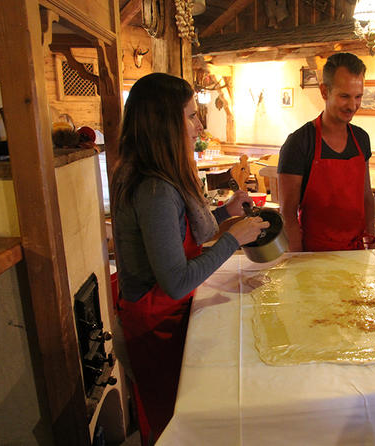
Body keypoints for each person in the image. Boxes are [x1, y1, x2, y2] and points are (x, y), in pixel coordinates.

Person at [110, 73, 268, 444]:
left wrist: (224, 214)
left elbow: (174, 238)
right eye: (190, 115)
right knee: (174, 425)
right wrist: (232, 238)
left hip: (167, 312)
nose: (199, 124)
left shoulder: (152, 175)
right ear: (164, 124)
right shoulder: (154, 188)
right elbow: (176, 279)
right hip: (155, 322)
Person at [278, 52, 375, 251]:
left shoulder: (361, 139)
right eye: (344, 96)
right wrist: (297, 262)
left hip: (356, 253)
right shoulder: (299, 143)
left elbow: (366, 197)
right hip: (314, 255)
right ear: (324, 91)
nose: (352, 105)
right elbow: (288, 214)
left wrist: (370, 244)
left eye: (358, 96)